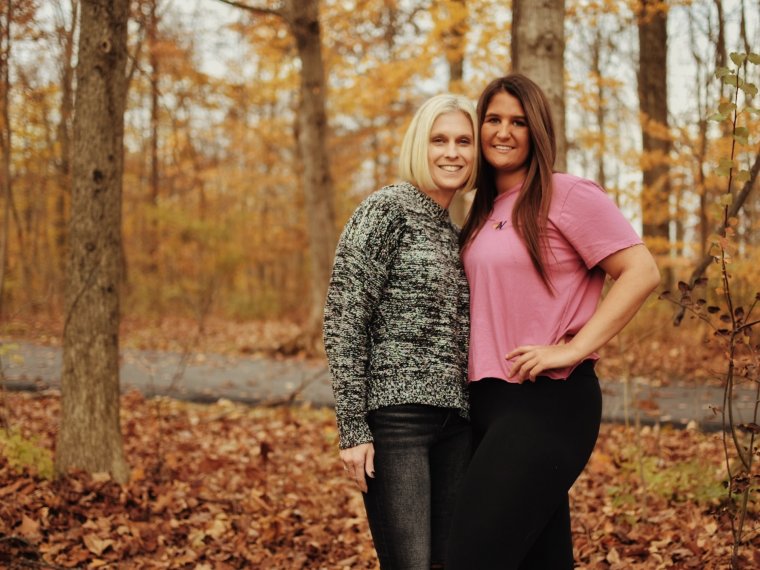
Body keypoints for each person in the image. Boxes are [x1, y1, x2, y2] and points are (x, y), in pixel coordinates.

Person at [445, 74, 661, 569]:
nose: (503, 131)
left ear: (536, 130)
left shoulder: (566, 194)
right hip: (487, 402)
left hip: (547, 401)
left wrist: (572, 348)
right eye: (493, 119)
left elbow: (641, 270)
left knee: (470, 557)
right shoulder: (480, 213)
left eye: (518, 122)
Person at [323, 93, 478, 569]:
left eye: (463, 141)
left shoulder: (457, 231)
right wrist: (352, 428)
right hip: (398, 425)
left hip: (457, 424)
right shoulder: (386, 209)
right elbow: (344, 318)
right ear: (419, 145)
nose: (452, 152)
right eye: (439, 139)